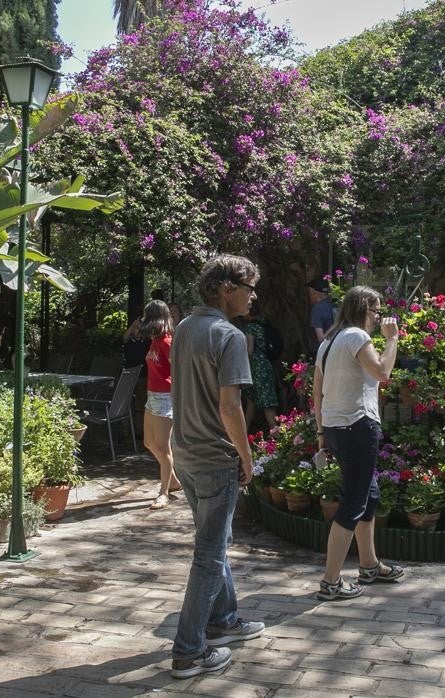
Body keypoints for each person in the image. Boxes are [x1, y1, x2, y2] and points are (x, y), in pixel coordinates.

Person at [168, 256, 264, 679]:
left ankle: (223, 621)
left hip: (185, 453)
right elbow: (231, 408)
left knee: (214, 540)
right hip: (214, 458)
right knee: (209, 553)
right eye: (247, 285)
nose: (252, 294)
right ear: (224, 288)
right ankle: (189, 651)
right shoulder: (229, 336)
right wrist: (246, 457)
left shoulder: (186, 326)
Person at [312, 285, 405, 601]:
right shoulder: (356, 337)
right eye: (376, 311)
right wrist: (392, 338)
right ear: (364, 309)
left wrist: (322, 433)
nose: (379, 317)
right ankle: (330, 582)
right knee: (353, 502)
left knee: (370, 494)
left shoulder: (328, 342)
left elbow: (317, 392)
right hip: (357, 426)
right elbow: (382, 372)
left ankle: (369, 565)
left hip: (337, 428)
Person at [142, 300, 182, 510]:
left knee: (164, 448)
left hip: (165, 399)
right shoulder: (155, 341)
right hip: (152, 397)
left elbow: (180, 370)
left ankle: (163, 493)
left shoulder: (167, 342)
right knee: (149, 442)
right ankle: (174, 480)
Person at [240, 305, 279, 432]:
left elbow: (250, 350)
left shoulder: (250, 328)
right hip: (266, 365)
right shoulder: (263, 324)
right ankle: (245, 430)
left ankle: (275, 432)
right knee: (258, 399)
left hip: (256, 368)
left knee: (259, 401)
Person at [306, 278, 337, 350]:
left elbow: (321, 339)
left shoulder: (317, 309)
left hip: (324, 352)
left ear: (314, 293)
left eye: (309, 292)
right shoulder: (335, 305)